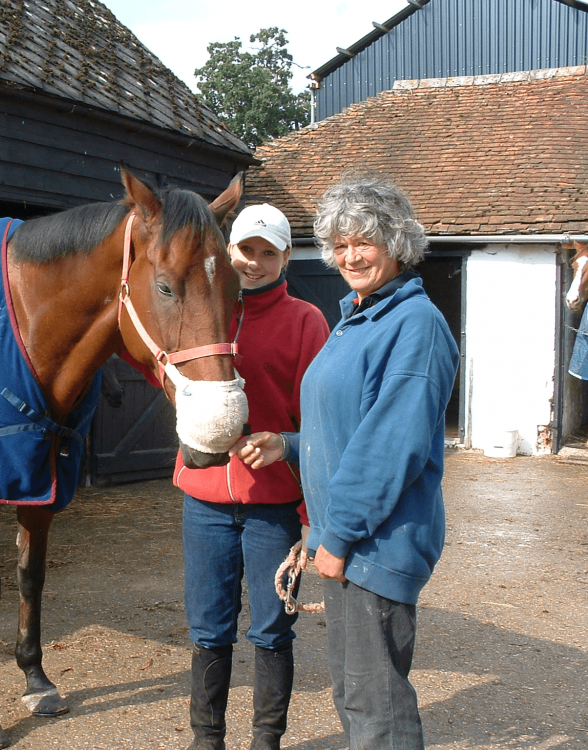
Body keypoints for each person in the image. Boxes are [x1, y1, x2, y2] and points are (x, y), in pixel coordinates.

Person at [234, 174, 459, 749]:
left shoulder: (414, 325)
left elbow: (389, 446)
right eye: (339, 244)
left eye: (364, 241)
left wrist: (336, 539)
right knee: (357, 697)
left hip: (374, 545)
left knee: (375, 708)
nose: (349, 255)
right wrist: (290, 442)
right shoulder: (359, 317)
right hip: (348, 540)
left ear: (397, 243)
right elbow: (346, 423)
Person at [174, 203, 329, 750]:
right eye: (246, 250)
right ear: (227, 251)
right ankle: (206, 740)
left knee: (270, 628)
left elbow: (318, 425)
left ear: (287, 258)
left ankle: (267, 741)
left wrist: (312, 519)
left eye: (268, 253)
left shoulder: (307, 322)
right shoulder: (200, 308)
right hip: (207, 500)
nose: (254, 263)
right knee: (208, 629)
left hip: (272, 503)